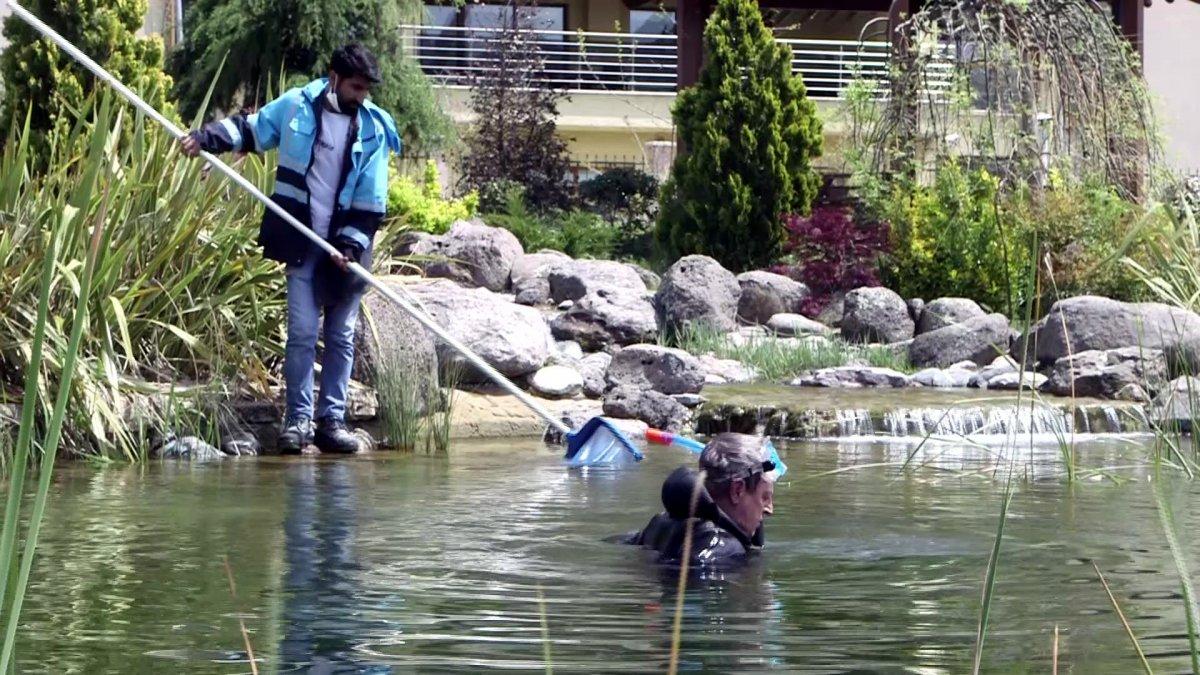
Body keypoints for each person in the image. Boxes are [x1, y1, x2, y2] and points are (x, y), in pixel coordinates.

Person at [180, 44, 401, 454]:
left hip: (348, 246)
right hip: (302, 238)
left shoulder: (374, 128)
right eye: (355, 87)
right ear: (334, 78)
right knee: (301, 331)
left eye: (366, 89)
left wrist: (349, 246)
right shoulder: (297, 106)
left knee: (341, 336)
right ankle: (298, 420)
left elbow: (372, 199)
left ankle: (331, 421)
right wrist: (204, 139)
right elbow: (252, 130)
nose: (361, 96)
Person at [625, 432, 776, 568]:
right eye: (764, 497)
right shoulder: (723, 551)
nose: (770, 509)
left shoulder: (660, 524)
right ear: (737, 490)